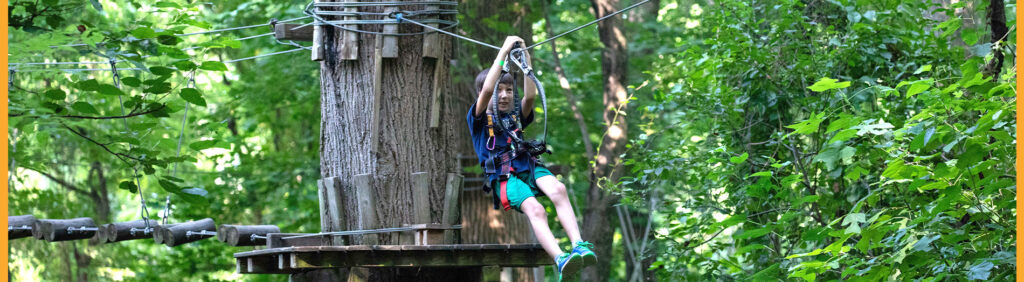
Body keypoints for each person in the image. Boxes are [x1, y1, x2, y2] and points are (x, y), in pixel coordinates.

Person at [466, 36, 595, 280]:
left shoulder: (515, 116)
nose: (503, 95)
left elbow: (531, 96)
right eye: (499, 90)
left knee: (558, 189)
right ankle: (560, 258)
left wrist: (525, 56)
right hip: (504, 176)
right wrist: (504, 50)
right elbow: (486, 91)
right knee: (536, 210)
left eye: (508, 90)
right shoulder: (478, 118)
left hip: (527, 164)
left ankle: (578, 244)